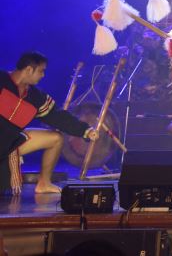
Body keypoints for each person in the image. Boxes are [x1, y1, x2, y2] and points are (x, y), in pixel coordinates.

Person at [1, 52, 99, 194]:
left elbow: (57, 116)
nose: (43, 75)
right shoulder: (2, 81)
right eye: (41, 71)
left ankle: (44, 183)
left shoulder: (35, 96)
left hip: (12, 143)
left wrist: (86, 130)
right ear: (29, 69)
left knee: (55, 138)